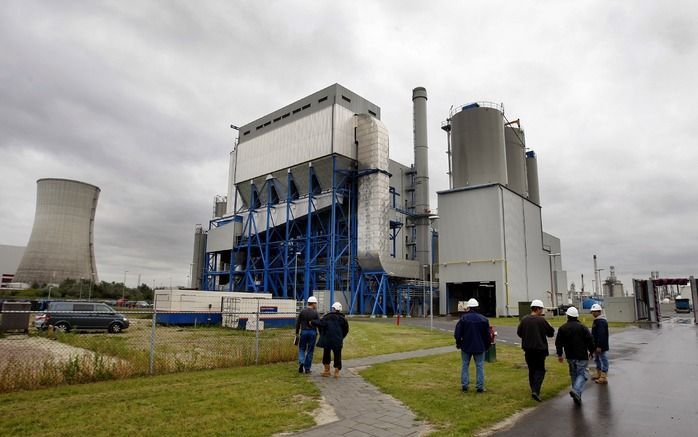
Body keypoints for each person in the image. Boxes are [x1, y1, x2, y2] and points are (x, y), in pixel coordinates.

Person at [555, 306, 595, 406]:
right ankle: (576, 391)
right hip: (581, 355)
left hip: (570, 356)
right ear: (577, 316)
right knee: (583, 374)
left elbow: (558, 343)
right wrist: (592, 351)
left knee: (574, 375)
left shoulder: (562, 328)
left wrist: (560, 354)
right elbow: (590, 340)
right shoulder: (583, 327)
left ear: (567, 316)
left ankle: (577, 395)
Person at [517, 299, 555, 402]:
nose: (542, 311)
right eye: (541, 309)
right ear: (538, 309)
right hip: (540, 350)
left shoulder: (524, 320)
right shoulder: (542, 321)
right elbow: (550, 334)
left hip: (528, 349)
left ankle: (533, 389)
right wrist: (550, 326)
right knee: (540, 370)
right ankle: (535, 390)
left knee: (532, 370)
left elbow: (519, 333)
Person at [453, 298, 491, 393]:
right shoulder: (484, 319)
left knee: (465, 365)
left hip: (466, 346)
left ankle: (465, 385)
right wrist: (487, 346)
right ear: (477, 307)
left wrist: (459, 343)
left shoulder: (463, 319)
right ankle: (480, 387)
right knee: (480, 366)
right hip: (479, 346)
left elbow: (457, 333)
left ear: (468, 307)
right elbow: (487, 335)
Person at [315, 302, 349, 378]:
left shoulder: (327, 317)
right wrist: (341, 337)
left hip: (327, 339)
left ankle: (327, 371)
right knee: (337, 355)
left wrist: (322, 334)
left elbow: (320, 324)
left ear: (333, 309)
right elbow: (346, 330)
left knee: (326, 354)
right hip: (338, 340)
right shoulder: (344, 319)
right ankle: (336, 372)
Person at [295, 296, 319, 374]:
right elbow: (318, 323)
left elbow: (298, 323)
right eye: (316, 303)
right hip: (312, 332)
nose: (316, 305)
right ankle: (307, 368)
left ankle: (301, 362)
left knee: (302, 348)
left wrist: (297, 332)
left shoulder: (302, 312)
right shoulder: (315, 312)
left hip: (304, 332)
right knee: (310, 350)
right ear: (313, 303)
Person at [590, 303, 609, 384]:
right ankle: (599, 374)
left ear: (599, 312)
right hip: (596, 345)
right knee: (597, 359)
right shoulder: (597, 321)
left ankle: (604, 376)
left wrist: (599, 346)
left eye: (594, 311)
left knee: (603, 359)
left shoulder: (601, 321)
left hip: (600, 345)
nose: (593, 313)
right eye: (592, 311)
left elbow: (601, 334)